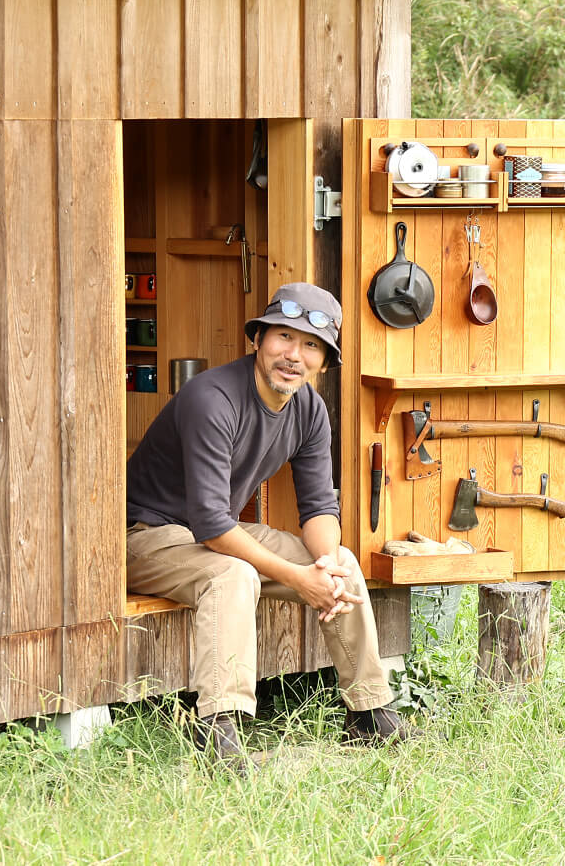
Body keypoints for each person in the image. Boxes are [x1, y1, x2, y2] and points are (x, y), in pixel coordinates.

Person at [126, 282, 410, 769]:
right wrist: (299, 579)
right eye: (283, 337)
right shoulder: (211, 398)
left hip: (206, 534)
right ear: (258, 339)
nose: (293, 355)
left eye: (311, 345)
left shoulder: (309, 410)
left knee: (340, 562)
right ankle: (218, 729)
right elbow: (215, 525)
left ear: (323, 361)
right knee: (230, 573)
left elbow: (320, 506)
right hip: (146, 535)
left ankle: (369, 712)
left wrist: (322, 565)